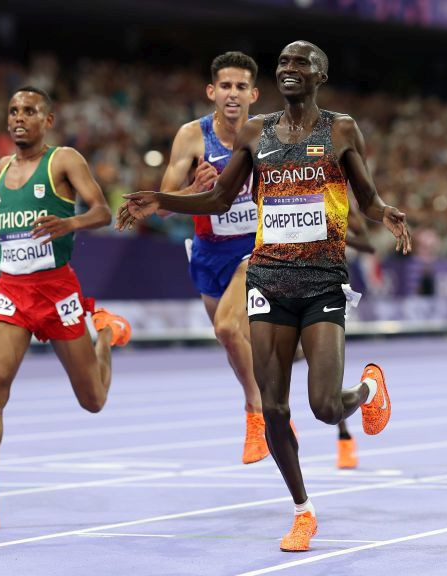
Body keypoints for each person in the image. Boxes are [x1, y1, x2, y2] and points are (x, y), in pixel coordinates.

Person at [119, 41, 411, 551]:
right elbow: (219, 197)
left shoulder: (340, 128)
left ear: (321, 73)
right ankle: (302, 510)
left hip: (321, 279)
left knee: (322, 405)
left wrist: (384, 212)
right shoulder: (257, 132)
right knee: (274, 408)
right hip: (268, 278)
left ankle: (367, 390)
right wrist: (160, 199)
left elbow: (365, 196)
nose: (289, 69)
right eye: (283, 64)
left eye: (300, 63)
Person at [0, 87, 131, 531]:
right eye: (13, 111)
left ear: (49, 120)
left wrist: (71, 222)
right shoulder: (3, 167)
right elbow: (6, 213)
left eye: (29, 111)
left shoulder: (64, 160)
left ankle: (106, 332)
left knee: (93, 401)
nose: (19, 118)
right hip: (12, 292)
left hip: (57, 292)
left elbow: (102, 211)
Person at [158, 51, 268, 464]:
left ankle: (256, 413)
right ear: (212, 91)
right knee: (234, 344)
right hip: (208, 254)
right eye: (226, 86)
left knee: (226, 328)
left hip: (254, 251)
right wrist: (194, 190)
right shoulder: (191, 137)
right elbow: (165, 207)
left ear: (254, 94)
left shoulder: (268, 136)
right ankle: (271, 407)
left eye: (241, 87)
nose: (233, 94)